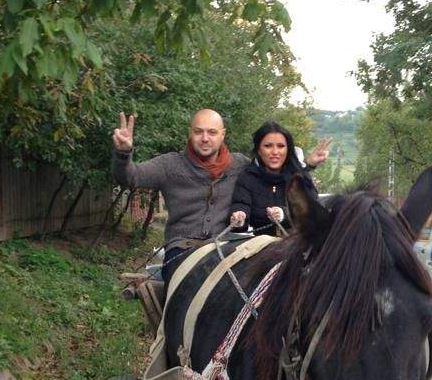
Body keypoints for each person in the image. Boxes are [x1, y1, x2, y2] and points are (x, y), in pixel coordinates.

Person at [111, 109, 329, 283]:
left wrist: (306, 166)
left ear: (222, 135)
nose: (205, 138)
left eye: (212, 132)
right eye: (199, 131)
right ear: (190, 133)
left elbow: (274, 175)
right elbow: (132, 177)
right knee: (192, 285)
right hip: (183, 250)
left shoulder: (240, 164)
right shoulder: (169, 165)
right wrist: (123, 153)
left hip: (228, 248)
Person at [228, 121, 322, 233]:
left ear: (288, 149)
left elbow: (312, 210)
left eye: (281, 146)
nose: (275, 152)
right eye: (268, 146)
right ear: (259, 149)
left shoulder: (299, 176)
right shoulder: (248, 177)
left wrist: (283, 214)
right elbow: (241, 203)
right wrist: (239, 216)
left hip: (299, 240)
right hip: (259, 243)